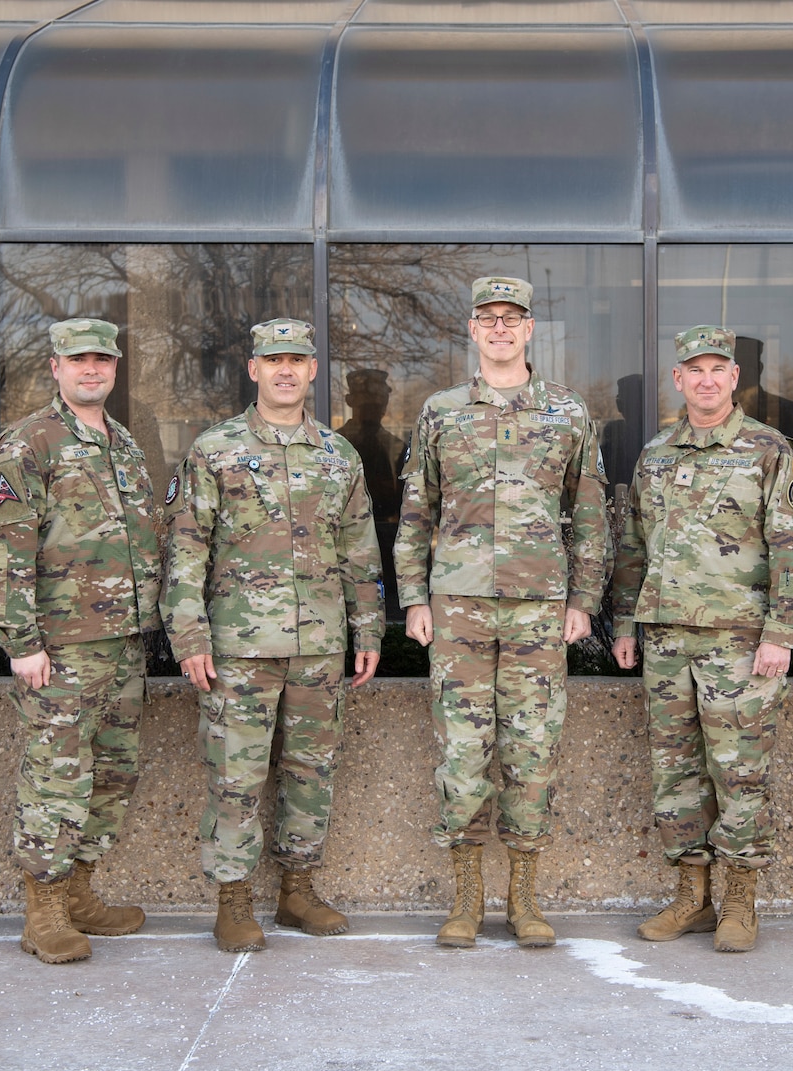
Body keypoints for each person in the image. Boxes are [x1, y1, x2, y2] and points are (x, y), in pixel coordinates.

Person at [395, 275, 608, 949]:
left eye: (511, 318)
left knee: (532, 751)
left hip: (539, 610)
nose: (499, 328)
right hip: (456, 608)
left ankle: (523, 897)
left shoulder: (569, 413)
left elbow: (594, 516)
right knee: (462, 754)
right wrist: (412, 597)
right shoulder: (441, 411)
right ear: (471, 329)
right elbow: (416, 513)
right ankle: (465, 901)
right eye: (487, 318)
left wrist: (585, 600)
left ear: (529, 328)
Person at [163, 318, 383, 953]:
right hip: (239, 646)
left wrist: (368, 628)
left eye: (297, 360)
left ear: (314, 371)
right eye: (273, 360)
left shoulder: (339, 455)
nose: (285, 370)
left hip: (319, 644)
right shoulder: (216, 448)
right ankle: (233, 901)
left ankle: (297, 890)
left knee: (311, 771)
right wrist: (190, 637)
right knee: (236, 774)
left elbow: (359, 550)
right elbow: (184, 549)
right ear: (253, 369)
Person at [611, 325, 793, 953]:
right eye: (693, 370)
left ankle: (739, 904)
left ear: (735, 379)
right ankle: (691, 899)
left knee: (738, 772)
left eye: (717, 370)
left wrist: (781, 633)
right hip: (668, 636)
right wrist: (625, 621)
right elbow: (633, 547)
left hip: (740, 639)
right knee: (674, 772)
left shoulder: (768, 450)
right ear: (678, 379)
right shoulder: (656, 454)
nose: (705, 380)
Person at [0, 317, 160, 965]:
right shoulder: (29, 444)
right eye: (77, 359)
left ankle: (81, 889)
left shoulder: (124, 445)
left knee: (112, 774)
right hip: (58, 649)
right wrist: (21, 640)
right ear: (54, 366)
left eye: (102, 360)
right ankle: (44, 910)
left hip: (122, 645)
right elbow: (4, 548)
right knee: (57, 777)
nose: (91, 369)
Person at [336, 367, 405, 613]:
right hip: (345, 542)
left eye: (379, 403)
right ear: (351, 402)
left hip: (389, 539)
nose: (376, 409)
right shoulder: (335, 446)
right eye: (368, 404)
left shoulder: (397, 447)